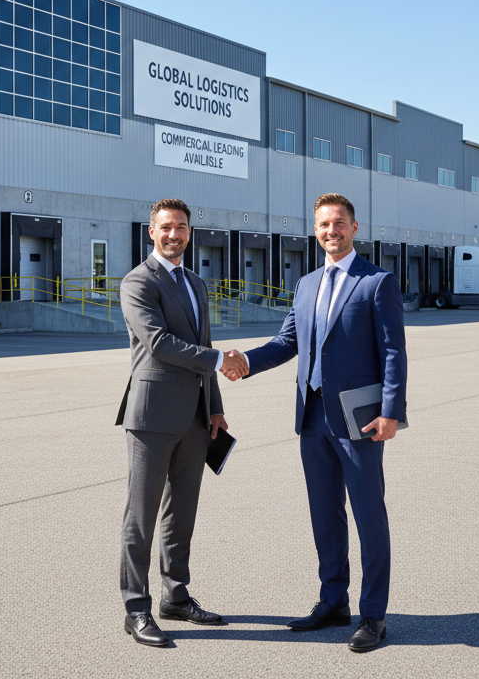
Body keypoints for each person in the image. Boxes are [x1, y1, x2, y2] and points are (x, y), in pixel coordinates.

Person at [221, 193, 407, 652]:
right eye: (324, 224)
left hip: (360, 415)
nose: (331, 231)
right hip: (312, 416)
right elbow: (287, 342)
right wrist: (245, 360)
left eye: (339, 223)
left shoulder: (376, 282)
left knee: (368, 515)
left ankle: (374, 614)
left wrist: (391, 412)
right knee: (325, 515)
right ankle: (333, 602)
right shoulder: (306, 285)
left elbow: (393, 351)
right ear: (316, 230)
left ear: (355, 227)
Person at [116, 198, 232, 648]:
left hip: (197, 418)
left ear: (189, 232)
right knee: (140, 517)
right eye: (166, 227)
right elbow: (160, 343)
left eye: (181, 227)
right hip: (152, 416)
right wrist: (222, 360)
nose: (174, 235)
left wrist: (216, 405)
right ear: (152, 232)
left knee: (180, 514)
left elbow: (202, 342)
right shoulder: (137, 282)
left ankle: (176, 596)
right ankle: (135, 608)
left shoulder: (196, 283)